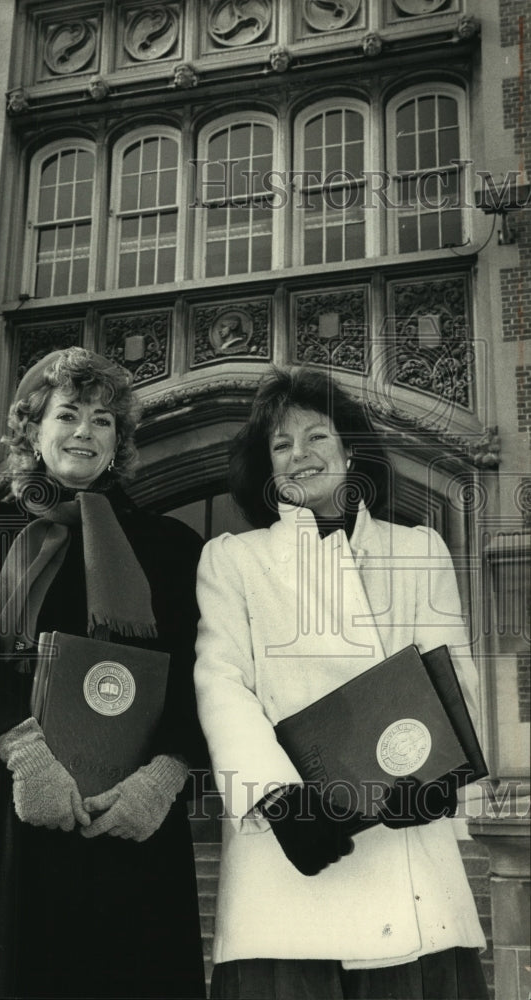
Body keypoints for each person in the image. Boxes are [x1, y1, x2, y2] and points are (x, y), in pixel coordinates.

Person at [194, 366, 488, 1000]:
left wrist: (440, 777)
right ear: (266, 468)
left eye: (317, 436)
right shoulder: (233, 560)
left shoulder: (418, 548)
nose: (299, 455)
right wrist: (277, 798)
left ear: (350, 450)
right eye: (281, 445)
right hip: (292, 860)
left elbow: (452, 670)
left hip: (408, 858)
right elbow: (222, 683)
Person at [0, 347, 207, 999]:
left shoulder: (169, 546)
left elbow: (199, 676)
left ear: (119, 441)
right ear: (31, 428)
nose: (85, 431)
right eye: (68, 414)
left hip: (129, 821)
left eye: (103, 420)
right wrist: (26, 757)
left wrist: (164, 778)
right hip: (16, 810)